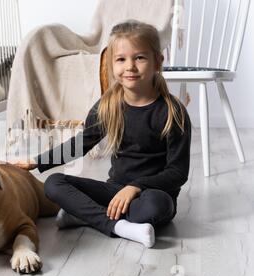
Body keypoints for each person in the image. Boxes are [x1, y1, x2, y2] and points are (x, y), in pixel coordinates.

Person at [12, 20, 191, 248]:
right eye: (121, 59)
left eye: (140, 57)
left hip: (150, 194)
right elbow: (80, 145)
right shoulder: (108, 106)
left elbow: (177, 172)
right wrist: (36, 162)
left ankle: (84, 215)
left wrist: (135, 187)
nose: (130, 67)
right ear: (111, 64)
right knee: (54, 183)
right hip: (113, 192)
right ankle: (118, 226)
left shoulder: (173, 112)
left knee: (158, 206)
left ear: (158, 61)